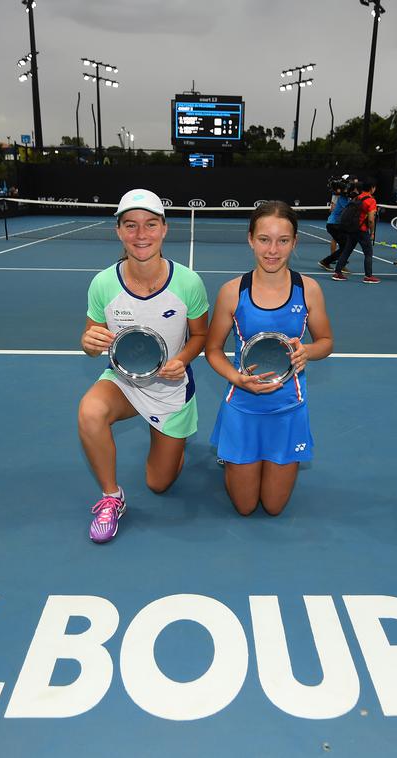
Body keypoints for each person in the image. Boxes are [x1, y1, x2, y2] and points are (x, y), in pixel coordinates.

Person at [78, 188, 209, 544]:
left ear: (164, 229)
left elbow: (200, 335)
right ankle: (110, 497)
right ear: (119, 231)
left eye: (150, 225)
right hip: (124, 382)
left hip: (170, 387)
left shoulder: (188, 283)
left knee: (159, 483)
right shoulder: (103, 283)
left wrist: (181, 359)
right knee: (90, 412)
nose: (141, 235)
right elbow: (92, 337)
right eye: (131, 226)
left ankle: (172, 445)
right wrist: (89, 343)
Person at [206, 201, 334, 516]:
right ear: (250, 239)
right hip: (243, 407)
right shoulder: (232, 292)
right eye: (264, 239)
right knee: (246, 506)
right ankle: (235, 454)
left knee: (274, 507)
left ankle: (250, 458)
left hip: (288, 409)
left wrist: (308, 351)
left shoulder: (309, 290)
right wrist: (236, 378)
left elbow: (326, 341)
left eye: (283, 240)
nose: (273, 250)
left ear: (295, 242)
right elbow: (212, 350)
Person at [331, 177, 380, 284]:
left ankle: (337, 272)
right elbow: (371, 220)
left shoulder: (357, 198)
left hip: (351, 228)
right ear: (372, 188)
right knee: (368, 253)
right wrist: (372, 233)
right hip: (362, 230)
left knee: (347, 250)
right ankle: (368, 276)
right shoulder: (371, 200)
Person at [318, 174, 354, 273]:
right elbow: (350, 208)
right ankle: (328, 262)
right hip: (333, 225)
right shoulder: (343, 199)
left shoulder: (345, 197)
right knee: (346, 246)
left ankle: (333, 263)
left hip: (336, 224)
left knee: (345, 246)